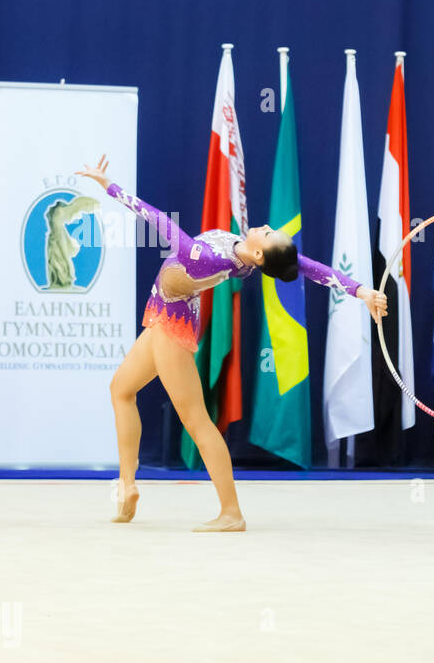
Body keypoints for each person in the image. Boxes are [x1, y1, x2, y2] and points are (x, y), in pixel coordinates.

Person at [77, 155, 388, 531]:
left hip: (171, 325)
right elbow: (307, 267)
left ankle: (231, 513)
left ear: (259, 254)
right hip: (163, 313)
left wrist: (109, 186)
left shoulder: (207, 256)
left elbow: (158, 220)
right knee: (121, 389)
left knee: (197, 421)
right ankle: (127, 485)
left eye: (269, 234)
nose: (267, 226)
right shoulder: (249, 255)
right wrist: (361, 291)